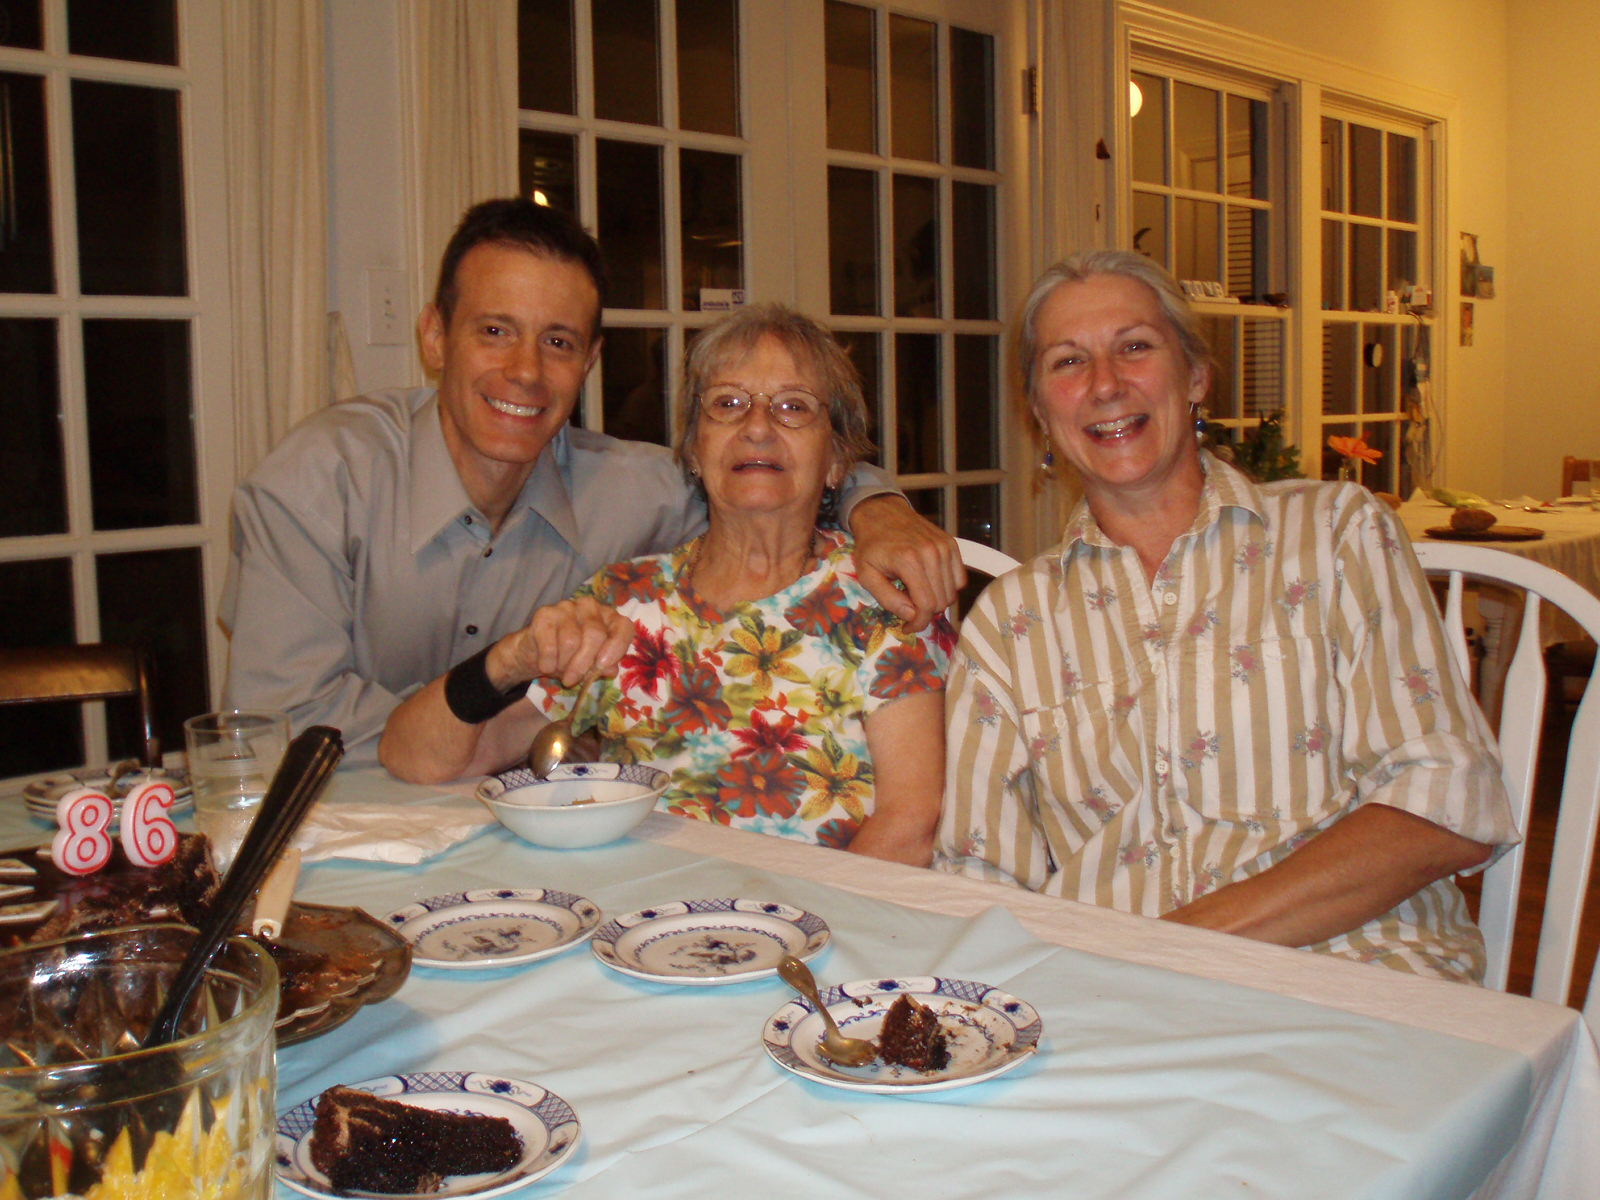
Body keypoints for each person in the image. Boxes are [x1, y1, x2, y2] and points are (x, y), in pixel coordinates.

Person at [937, 250, 1518, 981]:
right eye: (1068, 362)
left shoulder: (1334, 534)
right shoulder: (1013, 622)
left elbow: (1449, 802)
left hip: (1353, 968)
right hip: (1118, 997)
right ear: (1039, 413)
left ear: (1196, 376)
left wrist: (1172, 948)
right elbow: (979, 877)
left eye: (1135, 347)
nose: (1106, 384)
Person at [221, 199, 963, 767]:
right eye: (494, 331)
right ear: (435, 336)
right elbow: (276, 728)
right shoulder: (321, 482)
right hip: (326, 819)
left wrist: (877, 509)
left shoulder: (631, 487)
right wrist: (460, 728)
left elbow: (768, 472)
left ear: (590, 360)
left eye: (558, 342)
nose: (524, 371)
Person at [383, 304, 954, 866]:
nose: (757, 427)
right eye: (727, 404)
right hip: (643, 908)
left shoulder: (881, 599)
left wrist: (790, 918)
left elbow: (909, 827)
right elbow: (418, 760)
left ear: (836, 461)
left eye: (793, 407)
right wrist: (509, 659)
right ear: (694, 451)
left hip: (817, 914)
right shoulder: (625, 600)